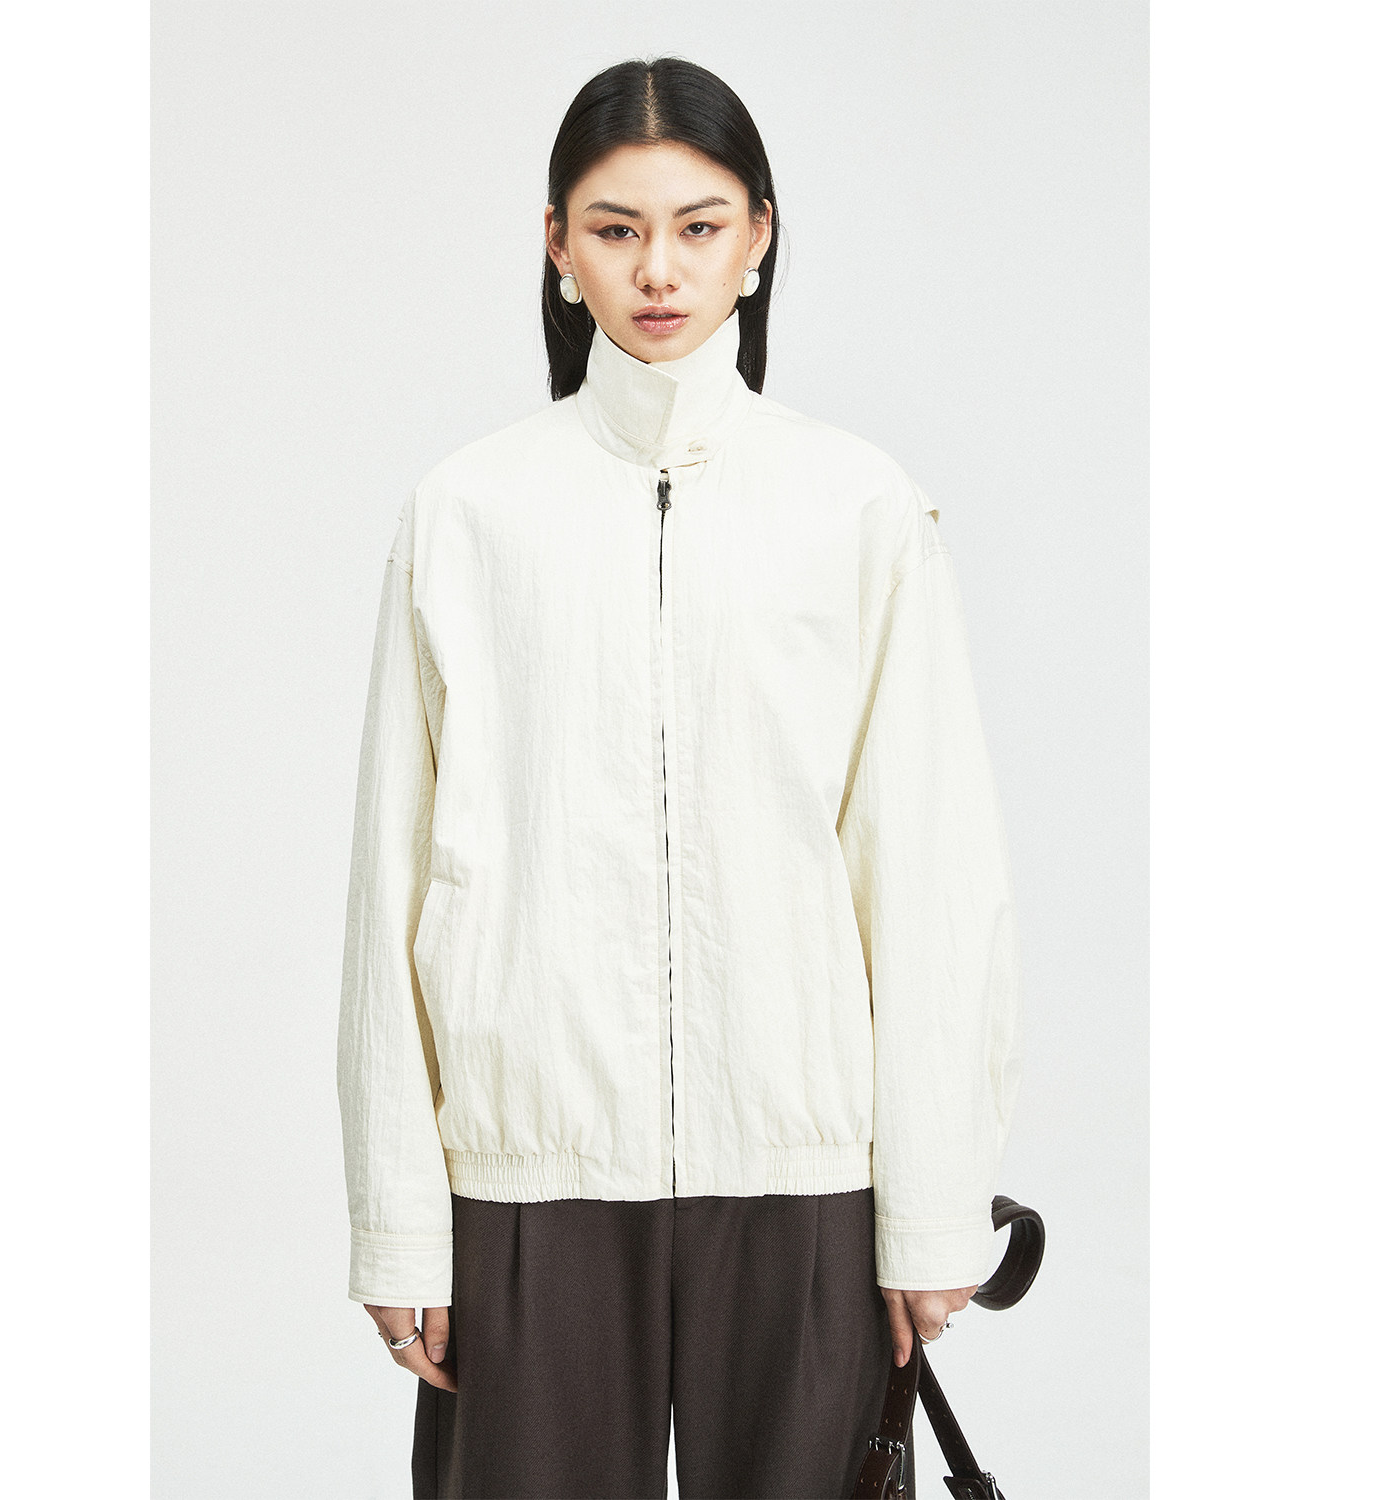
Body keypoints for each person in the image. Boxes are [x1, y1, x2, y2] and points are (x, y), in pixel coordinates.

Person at [337, 55, 1025, 1500]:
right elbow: (389, 887)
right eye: (616, 228)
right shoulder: (467, 514)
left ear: (759, 237)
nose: (659, 269)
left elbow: (927, 872)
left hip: (805, 1169)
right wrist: (401, 1220)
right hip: (529, 1175)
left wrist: (933, 1204)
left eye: (699, 226)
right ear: (557, 244)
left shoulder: (859, 508)